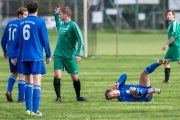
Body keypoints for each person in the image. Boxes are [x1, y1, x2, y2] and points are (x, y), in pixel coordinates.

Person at [11, 1, 51, 117]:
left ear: (27, 10)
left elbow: (16, 41)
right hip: (36, 56)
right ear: (37, 9)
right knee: (37, 82)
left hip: (23, 57)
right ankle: (35, 111)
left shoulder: (21, 22)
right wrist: (48, 54)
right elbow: (45, 40)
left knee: (28, 82)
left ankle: (28, 110)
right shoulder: (40, 22)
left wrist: (13, 56)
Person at [53, 6, 86, 102]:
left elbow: (80, 39)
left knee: (75, 77)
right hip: (58, 54)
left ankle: (78, 96)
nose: (60, 16)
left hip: (69, 55)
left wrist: (79, 54)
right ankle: (58, 97)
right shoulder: (61, 25)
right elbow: (57, 23)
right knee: (57, 75)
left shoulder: (73, 25)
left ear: (66, 15)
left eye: (61, 14)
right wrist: (56, 14)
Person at [1, 7, 28, 102]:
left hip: (11, 53)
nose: (27, 16)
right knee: (22, 75)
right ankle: (21, 99)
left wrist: (5, 51)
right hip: (20, 53)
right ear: (20, 15)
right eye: (25, 15)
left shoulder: (9, 24)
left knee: (14, 73)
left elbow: (3, 40)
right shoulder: (22, 24)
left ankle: (8, 90)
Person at [161, 10, 180, 83]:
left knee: (179, 61)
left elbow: (174, 36)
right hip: (171, 46)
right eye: (167, 15)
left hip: (176, 45)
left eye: (169, 14)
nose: (168, 16)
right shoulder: (170, 24)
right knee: (166, 61)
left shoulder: (174, 23)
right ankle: (166, 80)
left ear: (173, 15)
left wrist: (166, 44)